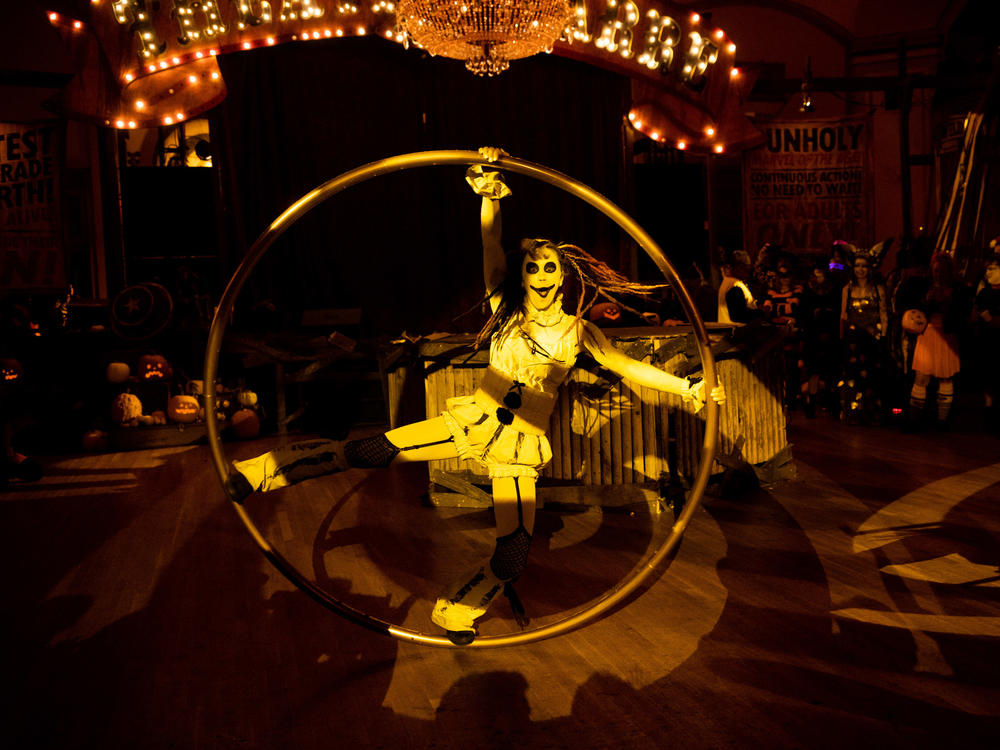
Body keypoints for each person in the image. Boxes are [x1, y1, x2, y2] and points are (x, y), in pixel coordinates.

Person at [226, 148, 726, 644]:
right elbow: (490, 241)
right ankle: (261, 472)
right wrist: (489, 194)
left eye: (550, 268)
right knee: (370, 450)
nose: (543, 277)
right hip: (475, 419)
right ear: (523, 273)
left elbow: (631, 367)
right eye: (533, 267)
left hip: (520, 447)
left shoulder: (579, 334)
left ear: (563, 276)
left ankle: (458, 610)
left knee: (512, 555)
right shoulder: (504, 309)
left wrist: (689, 388)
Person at [907, 252, 970, 429]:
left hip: (946, 335)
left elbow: (962, 314)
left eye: (942, 271)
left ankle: (942, 421)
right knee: (921, 377)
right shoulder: (925, 286)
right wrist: (926, 300)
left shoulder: (958, 289)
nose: (938, 274)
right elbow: (915, 309)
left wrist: (947, 301)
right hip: (927, 333)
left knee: (946, 378)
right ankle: (914, 420)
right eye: (935, 271)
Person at [839, 251, 888, 424]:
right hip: (853, 340)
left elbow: (883, 313)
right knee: (853, 375)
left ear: (870, 268)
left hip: (873, 338)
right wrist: (841, 337)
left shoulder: (878, 289)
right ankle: (853, 412)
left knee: (873, 375)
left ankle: (872, 412)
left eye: (864, 266)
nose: (861, 269)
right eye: (858, 266)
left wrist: (883, 336)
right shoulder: (848, 289)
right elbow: (843, 315)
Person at [971, 253, 1000, 432]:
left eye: (992, 269)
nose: (988, 272)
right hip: (987, 342)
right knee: (989, 379)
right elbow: (975, 315)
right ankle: (989, 415)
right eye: (987, 269)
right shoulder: (984, 292)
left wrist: (992, 319)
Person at [717, 250, 758, 324]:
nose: (749, 271)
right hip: (737, 332)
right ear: (740, 267)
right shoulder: (735, 286)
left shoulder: (727, 282)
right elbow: (738, 316)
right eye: (747, 267)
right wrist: (760, 312)